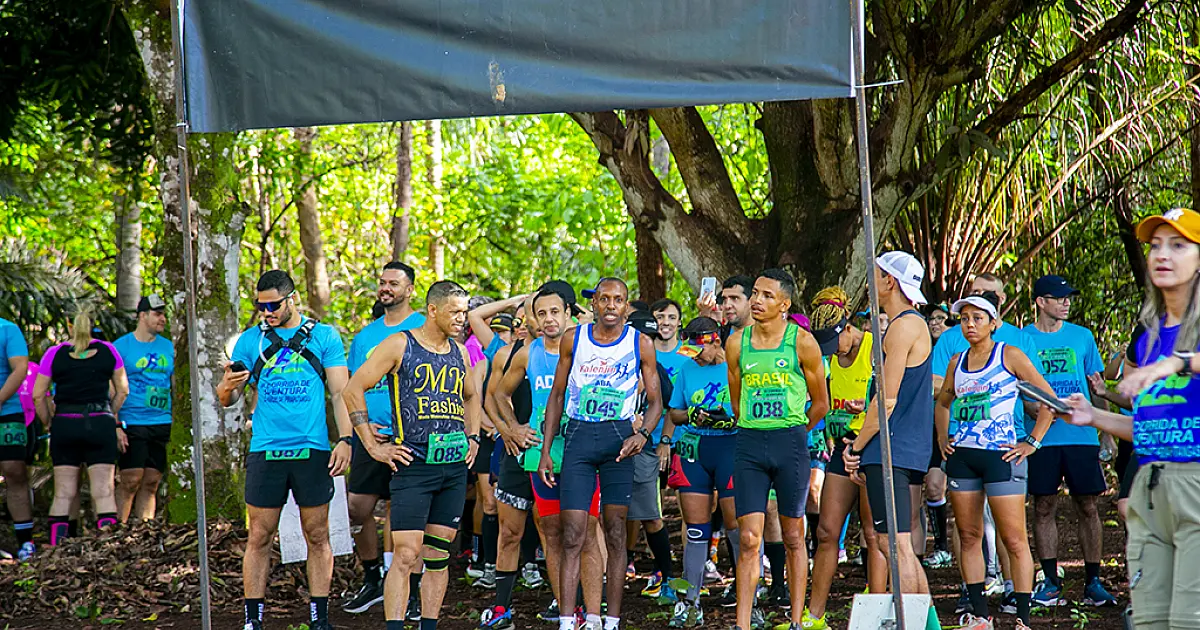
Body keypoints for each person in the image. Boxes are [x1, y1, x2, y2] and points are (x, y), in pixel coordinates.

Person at [1059, 208, 1200, 630]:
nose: (1163, 254)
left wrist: (1175, 364)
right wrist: (1092, 417)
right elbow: (1150, 430)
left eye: (1178, 245)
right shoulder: (1151, 334)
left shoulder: (1175, 350)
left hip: (1195, 485)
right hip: (1151, 488)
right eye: (1156, 244)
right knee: (1149, 622)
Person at [343, 279, 483, 630]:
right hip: (412, 465)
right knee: (406, 554)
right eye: (454, 312)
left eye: (464, 313)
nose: (461, 320)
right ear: (432, 310)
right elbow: (352, 389)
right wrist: (373, 445)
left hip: (451, 467)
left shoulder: (459, 352)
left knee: (438, 556)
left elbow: (471, 396)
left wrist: (474, 437)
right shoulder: (399, 345)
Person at [217, 270, 354, 630]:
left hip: (311, 448)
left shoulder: (324, 337)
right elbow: (227, 399)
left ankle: (319, 617)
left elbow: (340, 392)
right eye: (261, 307)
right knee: (259, 535)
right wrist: (226, 387)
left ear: (292, 299)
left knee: (317, 534)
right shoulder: (250, 342)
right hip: (266, 450)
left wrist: (346, 439)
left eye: (274, 305)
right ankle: (252, 619)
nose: (267, 313)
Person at [538, 277, 663, 630]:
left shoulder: (641, 343)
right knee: (573, 532)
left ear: (626, 306)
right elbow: (557, 397)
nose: (611, 305)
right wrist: (547, 451)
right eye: (604, 299)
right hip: (577, 437)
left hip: (618, 442)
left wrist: (642, 434)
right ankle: (567, 620)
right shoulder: (573, 339)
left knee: (615, 531)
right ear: (593, 304)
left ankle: (608, 620)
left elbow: (656, 403)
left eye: (618, 300)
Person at [482, 285, 604, 630]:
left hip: (583, 453)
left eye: (554, 312)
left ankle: (593, 615)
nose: (548, 319)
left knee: (587, 533)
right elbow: (496, 396)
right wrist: (511, 430)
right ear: (533, 318)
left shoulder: (587, 347)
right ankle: (569, 614)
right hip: (541, 456)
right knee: (551, 533)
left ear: (568, 313)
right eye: (541, 313)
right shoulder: (527, 353)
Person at [935, 292, 1057, 630]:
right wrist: (943, 439)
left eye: (977, 318)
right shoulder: (955, 361)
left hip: (1002, 457)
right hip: (963, 458)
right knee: (969, 534)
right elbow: (944, 402)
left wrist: (1032, 441)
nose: (970, 324)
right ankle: (979, 615)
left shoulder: (1010, 354)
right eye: (964, 319)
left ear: (994, 323)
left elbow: (1049, 399)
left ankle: (1022, 618)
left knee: (1014, 538)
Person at [726, 269, 829, 630]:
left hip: (791, 444)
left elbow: (821, 404)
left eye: (767, 295)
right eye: (755, 293)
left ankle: (797, 620)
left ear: (784, 304)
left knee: (793, 535)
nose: (757, 301)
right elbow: (736, 400)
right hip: (750, 444)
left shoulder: (802, 342)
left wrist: (794, 429)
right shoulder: (737, 343)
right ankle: (742, 624)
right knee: (750, 538)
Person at [1022, 275, 1118, 608]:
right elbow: (1015, 386)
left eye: (1068, 297)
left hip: (1081, 435)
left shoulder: (1082, 337)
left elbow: (1097, 386)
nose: (1066, 302)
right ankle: (1049, 581)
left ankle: (1093, 581)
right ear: (1040, 302)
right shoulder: (1022, 339)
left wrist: (1107, 432)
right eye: (1059, 297)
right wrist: (1030, 409)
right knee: (1044, 506)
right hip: (1040, 438)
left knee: (1088, 505)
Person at [843, 252, 933, 604]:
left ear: (890, 282)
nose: (869, 284)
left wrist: (856, 447)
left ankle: (911, 623)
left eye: (874, 276)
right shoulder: (906, 325)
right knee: (892, 542)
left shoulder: (903, 326)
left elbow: (887, 400)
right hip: (901, 447)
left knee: (895, 544)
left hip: (892, 447)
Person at [342, 262, 427, 616]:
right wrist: (358, 431)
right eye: (382, 282)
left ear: (410, 289)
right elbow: (350, 387)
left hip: (410, 437)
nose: (386, 287)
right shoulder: (365, 336)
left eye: (394, 282)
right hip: (370, 436)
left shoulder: (423, 327)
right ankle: (373, 577)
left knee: (401, 511)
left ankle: (405, 586)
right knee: (356, 509)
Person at [804, 287, 885, 630]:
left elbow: (888, 399)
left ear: (847, 328)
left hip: (872, 446)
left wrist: (863, 409)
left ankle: (878, 610)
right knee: (826, 531)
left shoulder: (873, 347)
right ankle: (814, 616)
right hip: (841, 448)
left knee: (873, 533)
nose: (829, 352)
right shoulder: (830, 358)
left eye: (832, 342)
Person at [665, 316, 738, 628]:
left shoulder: (735, 364)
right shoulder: (686, 369)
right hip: (696, 449)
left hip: (731, 449)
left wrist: (731, 419)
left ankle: (752, 597)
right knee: (696, 530)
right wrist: (691, 414)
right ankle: (689, 602)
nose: (695, 356)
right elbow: (675, 411)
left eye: (700, 349)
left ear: (716, 341)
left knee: (737, 527)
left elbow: (747, 406)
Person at [33, 309, 129, 545]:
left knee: (63, 492)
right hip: (100, 423)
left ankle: (57, 549)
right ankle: (108, 549)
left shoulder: (54, 353)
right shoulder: (109, 351)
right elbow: (123, 390)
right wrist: (109, 410)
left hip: (65, 423)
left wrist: (49, 421)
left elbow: (38, 394)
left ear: (69, 325)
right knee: (103, 492)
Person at [632, 299, 686, 601]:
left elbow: (670, 407)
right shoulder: (607, 361)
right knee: (602, 519)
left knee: (652, 516)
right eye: (644, 337)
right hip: (605, 448)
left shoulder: (658, 372)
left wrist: (659, 438)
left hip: (645, 451)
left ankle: (667, 579)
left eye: (652, 339)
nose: (648, 344)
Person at [113, 295, 174, 524]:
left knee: (152, 481)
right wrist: (116, 424)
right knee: (131, 479)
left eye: (164, 314)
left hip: (161, 421)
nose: (163, 319)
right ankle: (118, 530)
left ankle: (143, 532)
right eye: (157, 314)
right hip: (132, 420)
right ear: (142, 316)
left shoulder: (168, 346)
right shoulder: (121, 346)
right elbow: (113, 389)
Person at [921, 303, 954, 570]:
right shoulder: (920, 348)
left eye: (941, 318)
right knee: (932, 486)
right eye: (931, 318)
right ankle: (941, 546)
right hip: (928, 427)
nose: (934, 323)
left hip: (959, 426)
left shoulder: (960, 349)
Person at [0, 315, 33, 559]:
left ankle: (25, 542)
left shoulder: (8, 329)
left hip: (8, 411)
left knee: (15, 470)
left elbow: (20, 367)